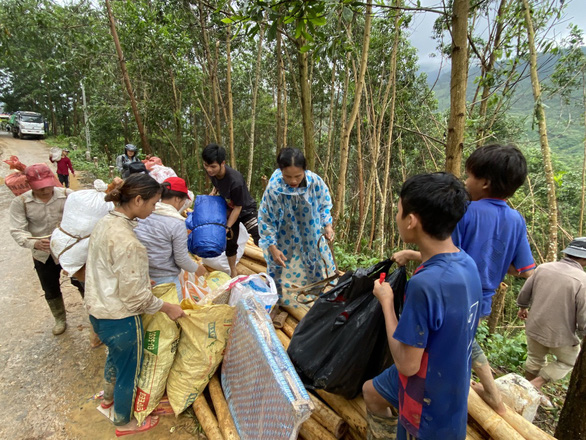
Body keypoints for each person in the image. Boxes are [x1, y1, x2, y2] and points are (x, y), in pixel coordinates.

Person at [393, 144, 535, 415]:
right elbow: (523, 269)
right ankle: (485, 393)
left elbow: (443, 255)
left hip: (452, 292)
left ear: (484, 182)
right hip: (481, 299)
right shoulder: (516, 220)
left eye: (469, 176)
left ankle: (487, 394)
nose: (466, 181)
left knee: (449, 343)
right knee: (466, 339)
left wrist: (409, 254)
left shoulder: (467, 213)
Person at [363, 172, 482, 440]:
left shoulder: (424, 286)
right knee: (372, 390)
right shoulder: (467, 263)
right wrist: (414, 256)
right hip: (451, 388)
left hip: (425, 406)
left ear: (411, 220)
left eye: (398, 211)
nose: (397, 218)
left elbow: (407, 365)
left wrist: (386, 302)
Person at [84, 174, 185, 436]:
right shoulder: (130, 243)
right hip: (121, 318)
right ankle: (124, 422)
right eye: (152, 204)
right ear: (138, 200)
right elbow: (137, 299)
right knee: (130, 369)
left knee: (114, 359)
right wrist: (167, 307)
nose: (153, 209)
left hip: (98, 309)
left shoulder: (105, 223)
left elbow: (108, 267)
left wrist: (139, 278)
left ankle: (107, 398)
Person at [9, 163, 85, 335]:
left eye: (47, 186)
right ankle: (60, 318)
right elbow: (16, 230)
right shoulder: (21, 202)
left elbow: (84, 215)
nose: (45, 191)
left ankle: (91, 311)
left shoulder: (67, 196)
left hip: (69, 250)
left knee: (81, 281)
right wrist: (32, 243)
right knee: (50, 287)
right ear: (29, 185)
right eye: (40, 188)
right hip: (43, 254)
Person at [258, 147, 335, 294]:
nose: (293, 181)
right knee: (278, 265)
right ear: (281, 171)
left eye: (298, 176)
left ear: (305, 170)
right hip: (283, 232)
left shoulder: (314, 182)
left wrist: (327, 225)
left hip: (309, 229)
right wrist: (273, 248)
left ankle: (317, 294)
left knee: (314, 260)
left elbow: (324, 204)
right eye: (288, 176)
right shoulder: (274, 189)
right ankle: (277, 299)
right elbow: (266, 219)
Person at [517, 237, 586, 390]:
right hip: (560, 335)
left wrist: (522, 307)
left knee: (535, 359)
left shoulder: (543, 268)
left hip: (535, 325)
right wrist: (583, 333)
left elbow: (525, 292)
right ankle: (534, 385)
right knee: (569, 361)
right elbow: (583, 314)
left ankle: (529, 391)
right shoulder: (582, 280)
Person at [135, 177, 207, 301]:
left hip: (139, 276)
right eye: (183, 201)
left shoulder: (143, 214)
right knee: (168, 318)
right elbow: (181, 259)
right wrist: (197, 269)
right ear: (177, 198)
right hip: (164, 280)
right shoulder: (176, 223)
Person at [202, 143, 260, 276]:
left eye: (213, 166)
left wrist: (227, 227)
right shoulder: (213, 173)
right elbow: (217, 185)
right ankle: (233, 272)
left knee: (259, 236)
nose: (209, 170)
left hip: (245, 210)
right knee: (230, 243)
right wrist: (212, 194)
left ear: (223, 163)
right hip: (229, 209)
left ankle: (274, 264)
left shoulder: (235, 181)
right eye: (206, 165)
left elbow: (239, 208)